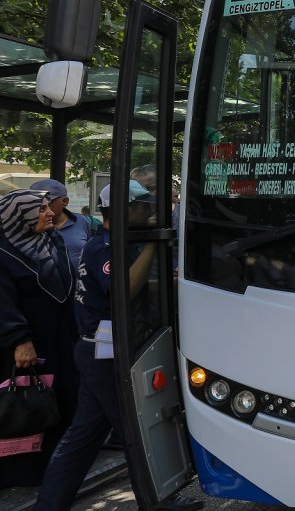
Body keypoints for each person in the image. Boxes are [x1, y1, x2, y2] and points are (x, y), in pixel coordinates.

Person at [35, 182, 202, 511]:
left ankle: (50, 504)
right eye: (143, 207)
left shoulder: (114, 243)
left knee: (83, 437)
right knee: (134, 431)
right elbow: (125, 288)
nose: (150, 211)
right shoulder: (105, 246)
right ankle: (156, 501)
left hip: (103, 350)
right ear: (126, 210)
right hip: (105, 352)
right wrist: (155, 244)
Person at [0, 189, 78, 489]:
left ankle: (54, 467)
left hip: (59, 336)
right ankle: (21, 474)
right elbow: (3, 302)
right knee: (24, 403)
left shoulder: (51, 240)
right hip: (24, 344)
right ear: (19, 216)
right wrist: (20, 339)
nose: (49, 213)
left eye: (48, 207)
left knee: (57, 398)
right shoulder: (4, 252)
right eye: (41, 209)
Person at [31, 179, 94, 271]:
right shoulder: (30, 225)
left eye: (49, 203)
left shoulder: (82, 222)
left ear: (65, 201)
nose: (41, 207)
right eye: (36, 203)